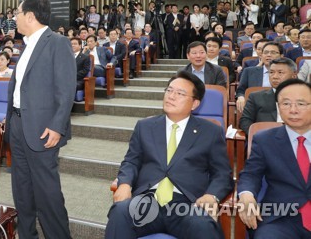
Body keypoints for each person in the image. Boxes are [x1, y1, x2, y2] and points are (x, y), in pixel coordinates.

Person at [105, 71, 233, 239]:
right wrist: (124, 184)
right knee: (120, 212)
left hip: (186, 205)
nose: (171, 96)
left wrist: (211, 196)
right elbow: (131, 161)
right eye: (169, 90)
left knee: (204, 226)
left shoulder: (210, 132)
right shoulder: (145, 126)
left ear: (195, 103)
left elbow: (222, 173)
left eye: (180, 93)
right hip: (147, 201)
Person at [4, 0, 75, 239]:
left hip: (44, 129)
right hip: (18, 126)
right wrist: (10, 116)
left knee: (47, 194)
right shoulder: (26, 45)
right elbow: (21, 89)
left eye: (17, 13)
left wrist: (57, 126)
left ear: (30, 16)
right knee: (22, 192)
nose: (14, 17)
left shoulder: (56, 42)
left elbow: (66, 89)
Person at [237, 78, 311, 238]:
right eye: (285, 104)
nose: (293, 110)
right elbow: (251, 174)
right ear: (278, 107)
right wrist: (246, 195)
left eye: (301, 103)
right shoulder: (265, 140)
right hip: (281, 218)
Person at [239, 58, 297, 134]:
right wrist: (259, 136)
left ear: (294, 76)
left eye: (280, 73)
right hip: (265, 138)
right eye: (271, 72)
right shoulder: (256, 97)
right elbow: (245, 121)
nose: (275, 76)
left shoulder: (306, 98)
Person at [236, 42, 284, 113]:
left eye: (273, 52)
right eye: (266, 52)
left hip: (280, 107)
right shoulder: (249, 71)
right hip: (255, 108)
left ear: (281, 56)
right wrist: (241, 97)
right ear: (261, 55)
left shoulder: (287, 73)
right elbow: (241, 90)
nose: (269, 55)